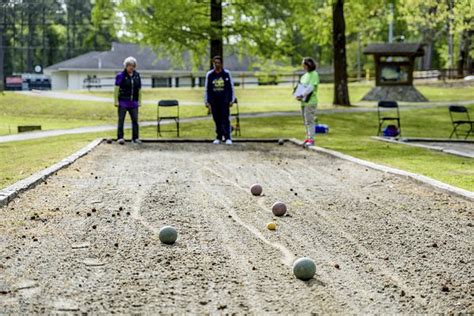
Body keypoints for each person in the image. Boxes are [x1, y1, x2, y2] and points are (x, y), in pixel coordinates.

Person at [204, 56, 235, 145]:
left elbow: (231, 87)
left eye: (218, 63)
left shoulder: (226, 74)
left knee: (225, 118)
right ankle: (219, 136)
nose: (216, 64)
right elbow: (207, 88)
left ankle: (228, 137)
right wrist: (206, 101)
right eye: (215, 63)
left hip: (224, 100)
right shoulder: (210, 75)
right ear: (213, 63)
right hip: (214, 101)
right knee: (216, 119)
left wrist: (231, 99)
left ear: (221, 64)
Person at [114, 56, 142, 145]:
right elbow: (116, 89)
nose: (131, 67)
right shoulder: (120, 76)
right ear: (126, 66)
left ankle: (135, 138)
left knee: (135, 120)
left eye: (133, 66)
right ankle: (120, 137)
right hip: (123, 101)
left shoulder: (137, 75)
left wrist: (139, 101)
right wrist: (116, 101)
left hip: (134, 102)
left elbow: (139, 89)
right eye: (129, 65)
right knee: (121, 120)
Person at [295, 57, 319, 146]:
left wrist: (302, 95)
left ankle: (311, 139)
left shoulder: (314, 74)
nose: (302, 66)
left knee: (310, 121)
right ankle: (308, 138)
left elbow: (311, 87)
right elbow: (301, 87)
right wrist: (297, 95)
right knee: (305, 121)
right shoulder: (304, 76)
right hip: (303, 102)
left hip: (310, 102)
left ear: (308, 65)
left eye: (303, 64)